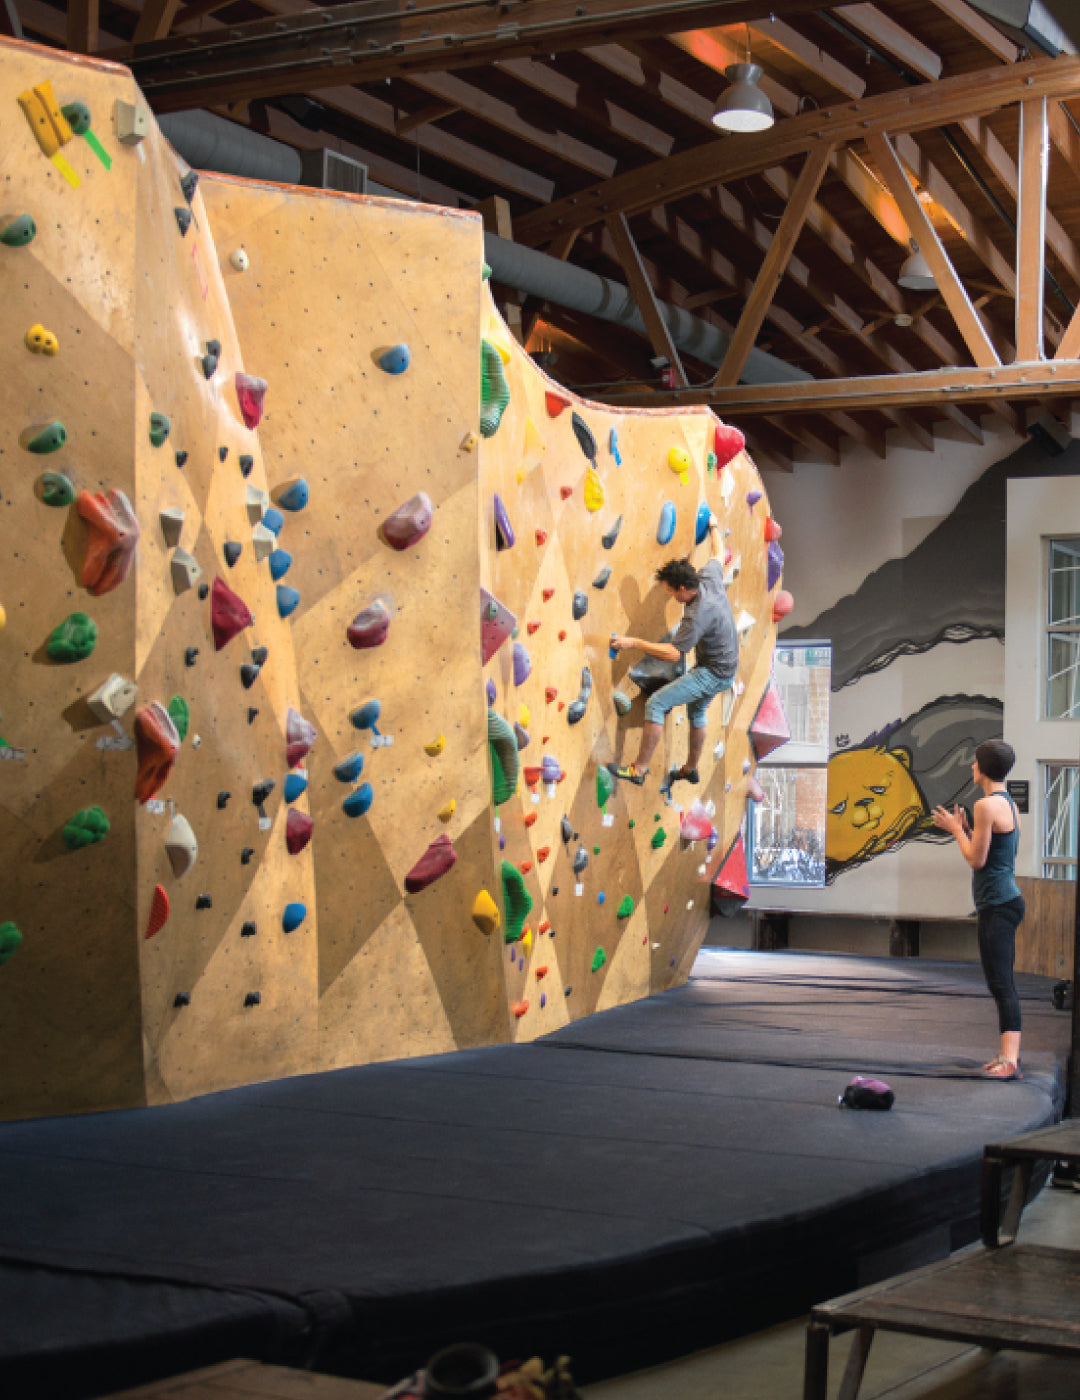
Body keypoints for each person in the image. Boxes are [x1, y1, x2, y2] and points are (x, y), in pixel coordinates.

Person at [607, 514, 738, 787]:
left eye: (670, 592)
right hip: (726, 667)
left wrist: (634, 643)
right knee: (697, 713)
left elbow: (672, 654)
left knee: (657, 703)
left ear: (682, 589)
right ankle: (690, 768)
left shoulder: (696, 615)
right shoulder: (708, 577)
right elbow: (718, 552)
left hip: (713, 673)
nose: (670, 596)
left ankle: (639, 770)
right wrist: (713, 525)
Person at [932, 740, 1025, 1081]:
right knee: (999, 983)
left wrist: (956, 830)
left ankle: (1010, 1060)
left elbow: (976, 860)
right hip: (1002, 902)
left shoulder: (986, 805)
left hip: (999, 905)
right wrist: (968, 831)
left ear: (982, 768)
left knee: (1002, 984)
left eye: (973, 763)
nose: (971, 767)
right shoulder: (1005, 804)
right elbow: (994, 852)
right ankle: (1005, 1055)